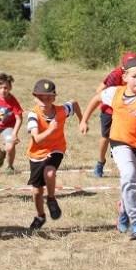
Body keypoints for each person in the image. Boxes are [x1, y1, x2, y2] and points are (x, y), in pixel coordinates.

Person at [80, 57, 136, 241]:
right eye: (135, 76)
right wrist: (84, 120)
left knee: (133, 184)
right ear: (125, 77)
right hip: (119, 142)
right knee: (129, 175)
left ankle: (124, 211)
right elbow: (96, 99)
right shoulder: (114, 93)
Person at [26, 79, 82, 230]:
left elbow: (74, 104)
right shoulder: (33, 115)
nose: (45, 100)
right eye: (41, 97)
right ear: (34, 97)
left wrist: (82, 121)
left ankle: (51, 199)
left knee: (49, 172)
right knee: (37, 192)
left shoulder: (61, 111)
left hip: (56, 148)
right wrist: (51, 129)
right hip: (37, 153)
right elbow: (36, 138)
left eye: (49, 97)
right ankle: (40, 215)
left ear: (54, 97)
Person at [91, 51, 136, 178]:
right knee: (106, 137)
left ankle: (128, 164)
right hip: (109, 110)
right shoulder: (116, 75)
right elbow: (103, 92)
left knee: (128, 137)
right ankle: (100, 163)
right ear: (124, 67)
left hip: (126, 111)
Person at [0, 72, 24, 172]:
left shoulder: (13, 101)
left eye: (6, 88)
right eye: (0, 87)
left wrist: (14, 134)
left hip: (8, 127)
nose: (3, 90)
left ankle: (10, 166)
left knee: (10, 146)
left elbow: (19, 119)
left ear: (10, 88)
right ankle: (0, 155)